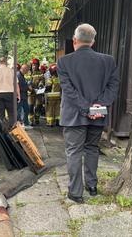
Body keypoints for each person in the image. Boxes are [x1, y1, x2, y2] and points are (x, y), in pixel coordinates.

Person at [57, 23, 119, 203]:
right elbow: (113, 87)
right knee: (92, 149)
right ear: (93, 41)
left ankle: (75, 193)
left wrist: (86, 108)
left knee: (74, 152)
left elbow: (68, 91)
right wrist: (97, 107)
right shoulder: (108, 61)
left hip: (73, 116)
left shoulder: (64, 61)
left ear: (75, 40)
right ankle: (92, 186)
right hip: (98, 116)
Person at [0, 57, 20, 128]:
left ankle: (2, 132)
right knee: (11, 114)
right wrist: (18, 95)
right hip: (10, 95)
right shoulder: (12, 71)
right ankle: (12, 131)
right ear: (6, 62)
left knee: (0, 115)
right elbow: (16, 85)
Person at [27, 58, 45, 126]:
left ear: (38, 65)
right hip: (30, 93)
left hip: (38, 93)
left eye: (36, 65)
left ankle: (37, 118)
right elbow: (27, 81)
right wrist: (29, 85)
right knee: (30, 107)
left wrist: (41, 84)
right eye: (33, 65)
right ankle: (31, 120)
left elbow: (42, 80)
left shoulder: (40, 73)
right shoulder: (29, 73)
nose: (34, 66)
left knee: (38, 106)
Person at [17, 64, 32, 128]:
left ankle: (25, 123)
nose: (27, 71)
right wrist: (29, 88)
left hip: (23, 96)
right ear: (25, 69)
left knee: (26, 110)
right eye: (27, 70)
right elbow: (21, 86)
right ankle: (20, 124)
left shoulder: (21, 75)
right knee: (20, 111)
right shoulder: (19, 76)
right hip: (20, 96)